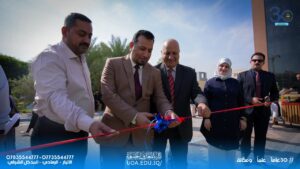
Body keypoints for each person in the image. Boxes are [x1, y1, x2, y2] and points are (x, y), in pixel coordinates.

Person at [31, 13, 116, 168]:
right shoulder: (50, 57)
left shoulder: (80, 57)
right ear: (65, 31)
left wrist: (88, 125)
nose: (87, 40)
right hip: (54, 137)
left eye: (90, 36)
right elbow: (56, 99)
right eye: (81, 34)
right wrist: (90, 125)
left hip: (79, 133)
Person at [100, 30, 180, 169]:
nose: (146, 55)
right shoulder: (112, 64)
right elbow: (108, 95)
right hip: (113, 136)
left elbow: (160, 97)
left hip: (142, 138)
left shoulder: (155, 73)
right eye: (142, 49)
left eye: (150, 50)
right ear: (132, 45)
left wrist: (168, 112)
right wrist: (135, 117)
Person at [152, 39, 211, 169]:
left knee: (179, 162)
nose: (171, 57)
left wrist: (201, 103)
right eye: (167, 53)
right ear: (161, 53)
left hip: (180, 126)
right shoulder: (152, 72)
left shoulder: (189, 73)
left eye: (175, 53)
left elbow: (196, 92)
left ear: (179, 54)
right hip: (158, 125)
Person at [200, 58, 247, 169]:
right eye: (222, 66)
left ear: (230, 68)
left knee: (230, 159)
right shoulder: (210, 82)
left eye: (227, 66)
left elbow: (241, 102)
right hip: (215, 123)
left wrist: (243, 118)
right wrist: (206, 118)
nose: (224, 68)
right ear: (218, 67)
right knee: (215, 159)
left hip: (232, 124)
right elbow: (205, 101)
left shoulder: (236, 83)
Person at [238, 52, 279, 160]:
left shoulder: (270, 76)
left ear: (263, 62)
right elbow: (238, 93)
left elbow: (275, 93)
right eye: (254, 60)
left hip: (263, 111)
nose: (257, 62)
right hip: (246, 112)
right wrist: (250, 99)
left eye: (259, 60)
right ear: (250, 62)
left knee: (261, 137)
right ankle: (244, 157)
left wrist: (270, 100)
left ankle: (259, 158)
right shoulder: (242, 75)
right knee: (245, 136)